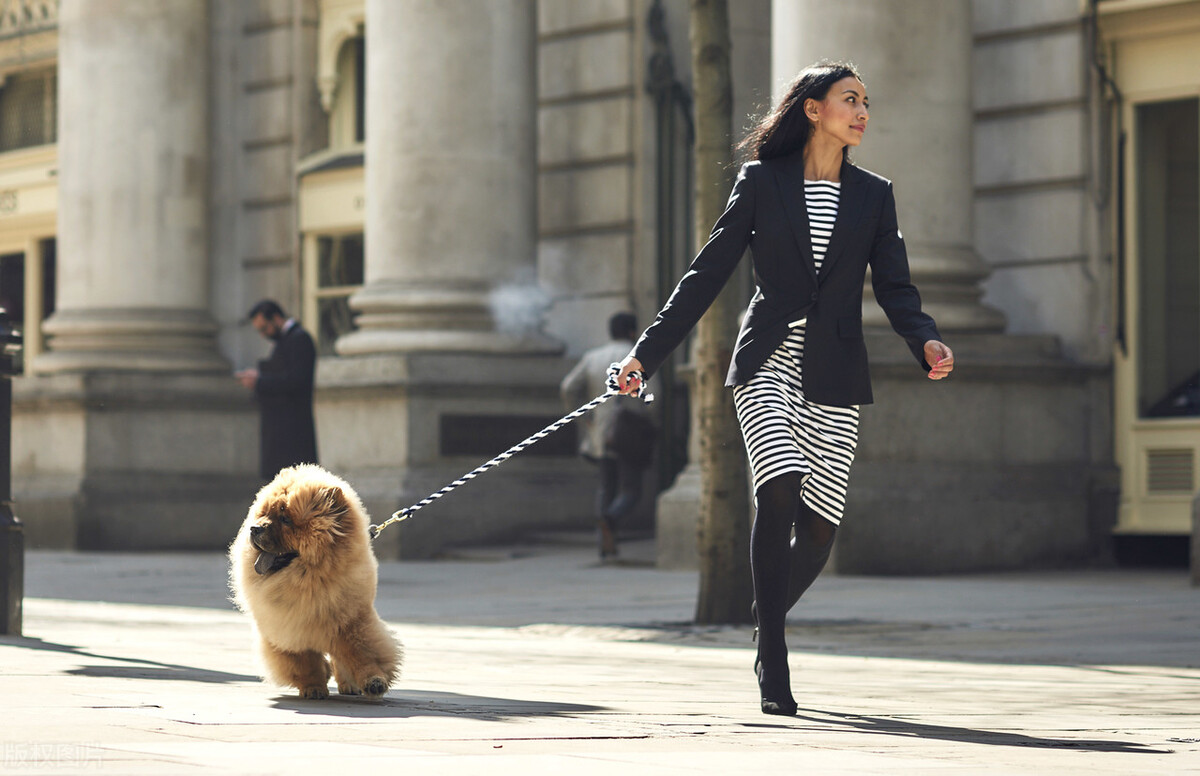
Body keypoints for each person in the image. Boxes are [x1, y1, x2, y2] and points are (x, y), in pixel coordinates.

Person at [613, 61, 954, 716]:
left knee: (821, 532)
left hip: (835, 372)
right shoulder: (763, 183)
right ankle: (774, 650)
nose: (862, 112)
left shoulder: (873, 195)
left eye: (866, 102)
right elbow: (707, 273)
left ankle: (763, 613)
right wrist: (644, 355)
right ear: (812, 108)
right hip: (767, 361)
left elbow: (896, 287)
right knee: (778, 487)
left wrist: (926, 340)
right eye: (849, 99)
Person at [561, 312, 657, 559]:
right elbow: (654, 400)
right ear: (633, 332)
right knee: (631, 490)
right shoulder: (640, 357)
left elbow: (568, 387)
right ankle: (610, 520)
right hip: (629, 433)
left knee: (606, 487)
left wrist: (584, 418)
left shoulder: (594, 357)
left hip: (600, 432)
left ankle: (605, 543)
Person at [236, 300, 319, 481]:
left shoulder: (299, 339)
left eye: (265, 328)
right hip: (282, 431)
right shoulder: (286, 341)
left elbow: (296, 380)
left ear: (276, 318)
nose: (264, 334)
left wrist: (259, 381)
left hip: (293, 433)